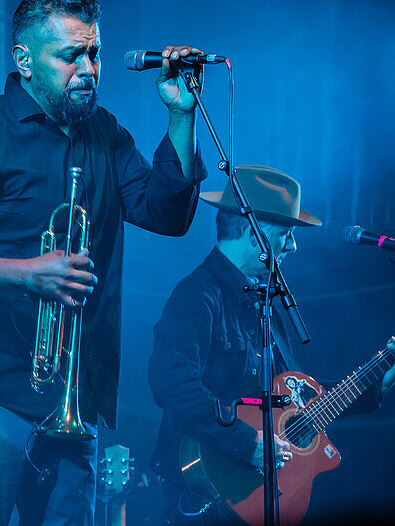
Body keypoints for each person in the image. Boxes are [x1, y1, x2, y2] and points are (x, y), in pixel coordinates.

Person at [0, 0, 207, 526]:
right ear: (24, 61)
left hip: (75, 400)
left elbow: (167, 215)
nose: (87, 68)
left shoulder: (105, 133)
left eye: (94, 53)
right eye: (70, 56)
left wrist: (180, 117)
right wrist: (27, 274)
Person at [147, 165, 395, 524]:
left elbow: (297, 400)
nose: (292, 246)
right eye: (285, 234)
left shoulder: (265, 306)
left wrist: (380, 379)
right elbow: (169, 382)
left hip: (256, 495)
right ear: (253, 233)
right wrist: (245, 443)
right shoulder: (197, 296)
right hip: (206, 493)